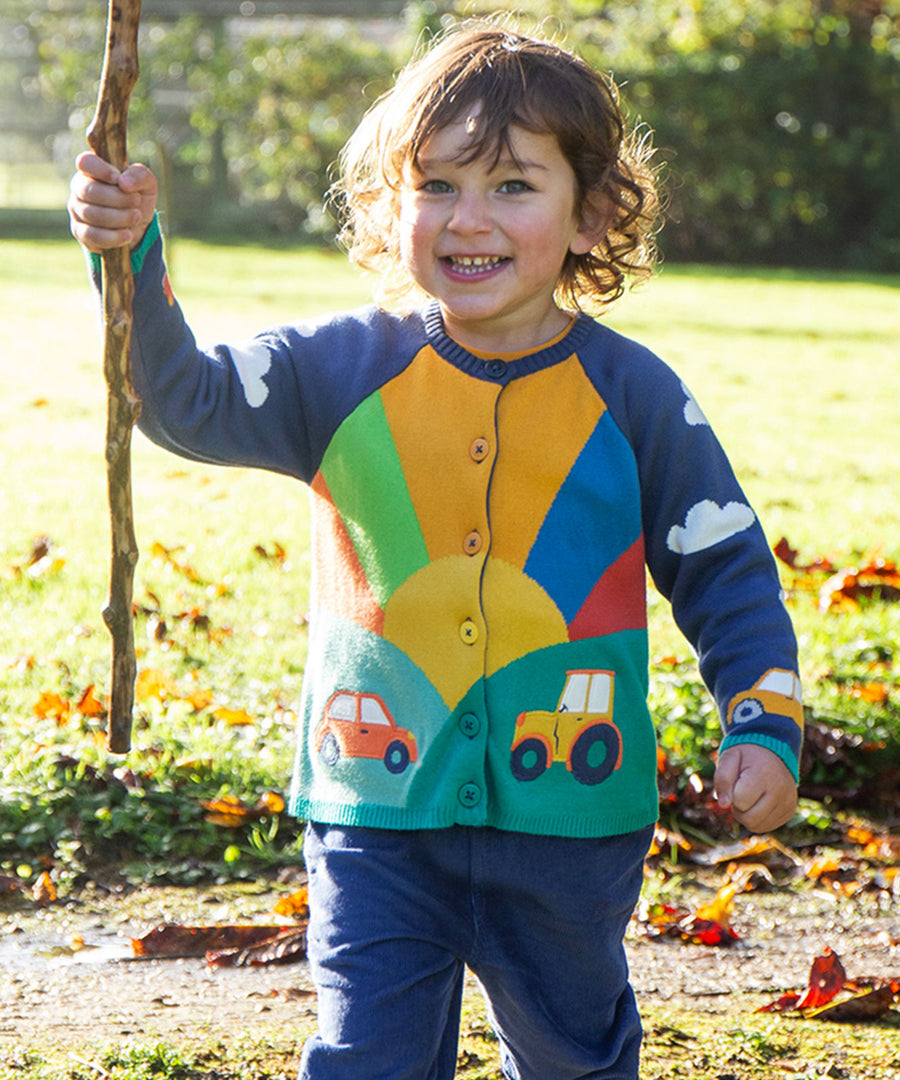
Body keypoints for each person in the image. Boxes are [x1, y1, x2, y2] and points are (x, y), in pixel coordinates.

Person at [69, 21, 803, 1080]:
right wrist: (127, 254)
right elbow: (181, 400)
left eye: (513, 186)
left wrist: (763, 719)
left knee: (572, 1059)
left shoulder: (637, 401)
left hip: (570, 824)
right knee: (366, 1059)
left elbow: (726, 570)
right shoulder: (337, 370)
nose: (469, 219)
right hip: (375, 808)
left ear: (594, 212)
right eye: (437, 184)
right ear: (386, 204)